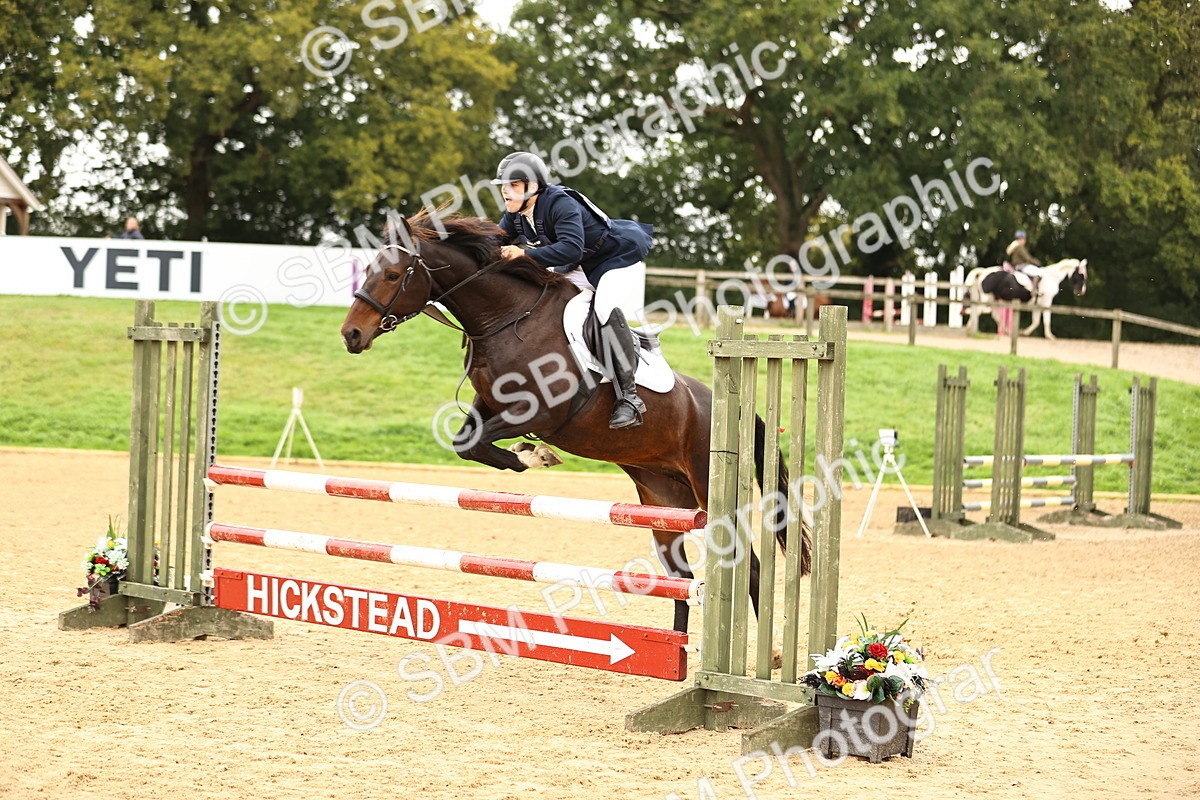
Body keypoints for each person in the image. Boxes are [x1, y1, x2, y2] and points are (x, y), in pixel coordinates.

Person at [493, 151, 653, 429]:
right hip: (579, 264)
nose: (506, 192)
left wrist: (523, 254)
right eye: (504, 186)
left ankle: (629, 398)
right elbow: (493, 242)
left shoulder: (559, 203)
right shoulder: (516, 215)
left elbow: (570, 247)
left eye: (513, 185)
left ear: (534, 187)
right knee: (553, 304)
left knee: (603, 310)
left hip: (615, 258)